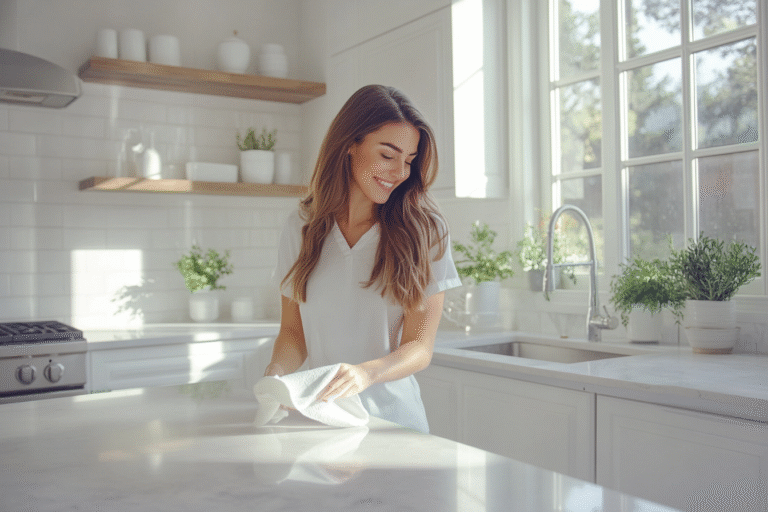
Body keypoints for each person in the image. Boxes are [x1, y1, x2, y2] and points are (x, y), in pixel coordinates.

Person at [264, 84, 461, 433]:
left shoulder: (425, 231)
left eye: (409, 160)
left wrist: (365, 373)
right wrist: (276, 375)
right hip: (324, 418)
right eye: (388, 155)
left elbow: (419, 346)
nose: (400, 172)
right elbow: (293, 333)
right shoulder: (302, 227)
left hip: (396, 424)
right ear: (350, 144)